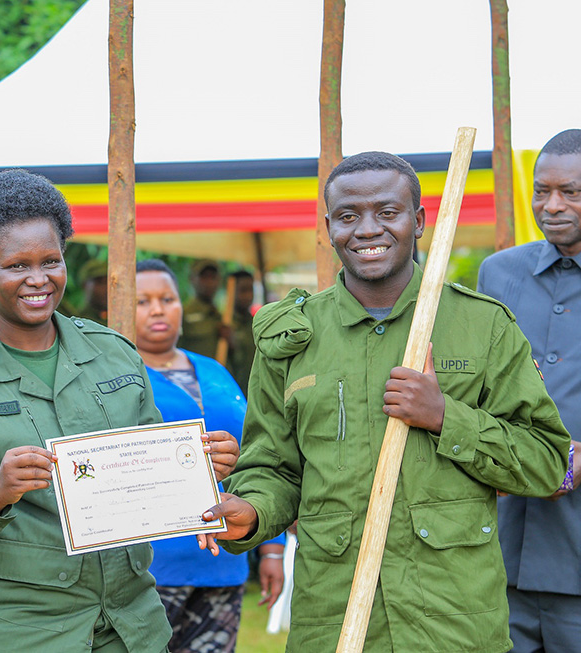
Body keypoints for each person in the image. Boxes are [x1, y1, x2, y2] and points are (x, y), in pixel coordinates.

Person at [199, 152, 571, 652]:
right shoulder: (293, 337)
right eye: (349, 216)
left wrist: (445, 418)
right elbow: (274, 468)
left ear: (418, 222)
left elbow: (548, 463)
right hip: (337, 619)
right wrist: (251, 510)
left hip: (453, 623)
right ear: (329, 228)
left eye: (387, 212)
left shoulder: (483, 326)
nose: (368, 230)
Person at [0, 169, 209, 652]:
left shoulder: (116, 355)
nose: (38, 280)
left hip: (131, 626)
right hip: (19, 632)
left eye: (50, 261)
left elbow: (150, 467)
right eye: (17, 265)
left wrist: (197, 466)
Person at [134, 258, 284, 653]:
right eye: (142, 301)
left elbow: (262, 456)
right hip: (149, 571)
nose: (157, 309)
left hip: (222, 561)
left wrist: (272, 547)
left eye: (167, 298)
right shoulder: (117, 380)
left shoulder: (215, 370)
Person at [478, 129, 581, 652]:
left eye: (572, 192)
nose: (553, 205)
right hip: (500, 546)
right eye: (542, 191)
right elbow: (473, 385)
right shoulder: (499, 274)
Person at [178, 258, 227, 358]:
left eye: (213, 277)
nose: (209, 282)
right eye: (204, 277)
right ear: (192, 279)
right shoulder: (183, 314)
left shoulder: (222, 316)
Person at [226, 269, 256, 394]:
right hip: (233, 392)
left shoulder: (256, 323)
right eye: (243, 290)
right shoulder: (225, 325)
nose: (248, 296)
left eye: (250, 290)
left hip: (253, 393)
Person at [76, 257, 110, 325]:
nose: (106, 288)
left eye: (108, 282)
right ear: (85, 285)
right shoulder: (77, 322)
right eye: (100, 282)